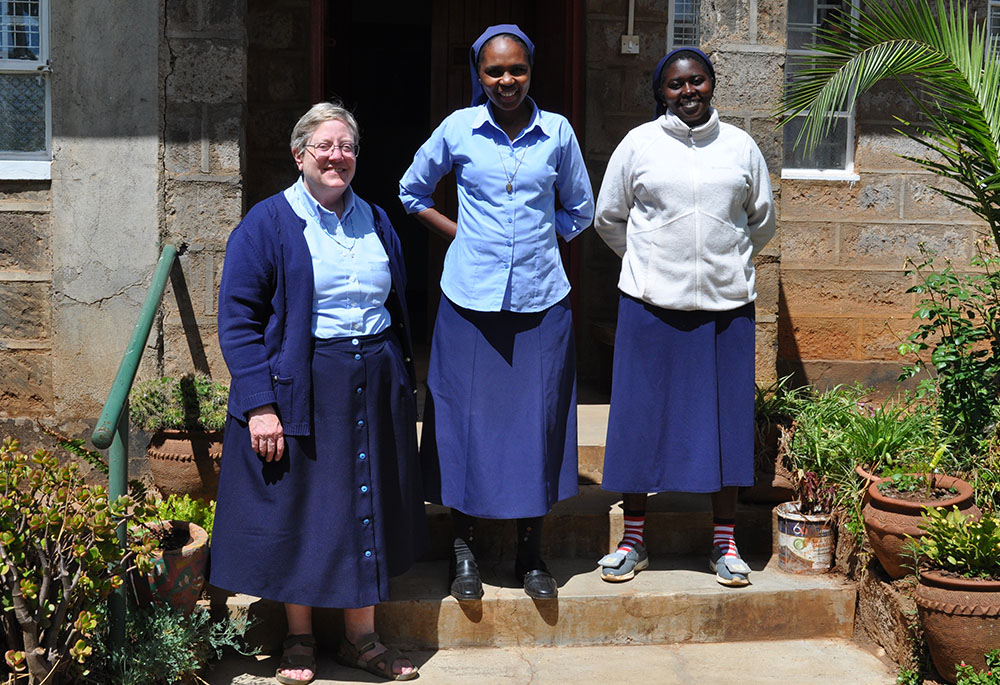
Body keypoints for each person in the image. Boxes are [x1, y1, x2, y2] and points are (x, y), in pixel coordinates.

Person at [211, 102, 425, 684]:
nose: (337, 157)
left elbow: (396, 303)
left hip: (373, 378)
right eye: (325, 146)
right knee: (301, 503)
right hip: (304, 381)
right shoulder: (267, 223)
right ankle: (299, 639)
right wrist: (259, 403)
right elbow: (238, 320)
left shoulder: (376, 219)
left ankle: (362, 638)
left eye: (347, 147)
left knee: (367, 500)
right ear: (299, 153)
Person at [398, 24, 594, 601]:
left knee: (539, 423)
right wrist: (463, 236)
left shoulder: (556, 132)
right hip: (468, 302)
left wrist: (536, 245)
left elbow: (579, 209)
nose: (506, 81)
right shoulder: (458, 129)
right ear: (477, 75)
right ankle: (464, 551)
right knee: (463, 422)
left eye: (517, 70)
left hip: (541, 306)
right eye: (494, 71)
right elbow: (412, 191)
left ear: (531, 71)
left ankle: (530, 554)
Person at [593, 48, 775, 587]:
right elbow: (609, 217)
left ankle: (724, 543)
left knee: (725, 425)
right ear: (661, 92)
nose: (687, 91)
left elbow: (760, 221)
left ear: (711, 84)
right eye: (675, 85)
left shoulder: (740, 146)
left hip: (726, 308)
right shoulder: (639, 144)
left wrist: (723, 262)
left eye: (696, 81)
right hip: (650, 306)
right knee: (639, 420)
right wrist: (651, 263)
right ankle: (633, 541)